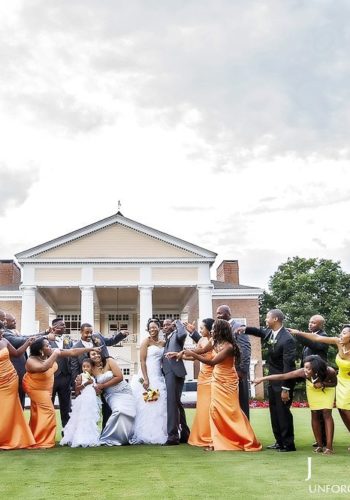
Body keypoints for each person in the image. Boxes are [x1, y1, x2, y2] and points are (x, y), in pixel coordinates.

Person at [168, 319, 261, 452]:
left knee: (231, 410)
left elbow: (212, 362)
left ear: (221, 330)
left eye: (214, 329)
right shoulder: (214, 341)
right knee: (215, 410)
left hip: (228, 381)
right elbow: (201, 350)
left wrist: (192, 354)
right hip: (216, 379)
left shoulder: (229, 347)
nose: (212, 331)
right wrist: (181, 353)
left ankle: (244, 438)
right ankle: (217, 440)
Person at [23, 338, 99, 449]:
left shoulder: (50, 352)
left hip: (46, 386)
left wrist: (91, 348)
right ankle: (44, 441)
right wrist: (56, 353)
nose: (50, 346)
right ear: (40, 350)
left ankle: (35, 438)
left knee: (38, 413)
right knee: (49, 412)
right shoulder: (31, 360)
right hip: (35, 387)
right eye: (47, 345)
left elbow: (73, 352)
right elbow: (44, 367)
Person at [238, 309, 297, 452]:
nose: (265, 320)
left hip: (283, 382)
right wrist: (245, 329)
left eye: (267, 318)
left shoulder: (287, 339)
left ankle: (288, 444)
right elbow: (259, 332)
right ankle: (279, 441)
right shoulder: (271, 333)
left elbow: (288, 366)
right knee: (274, 412)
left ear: (275, 319)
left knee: (283, 413)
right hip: (272, 381)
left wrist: (286, 389)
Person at [253, 355, 337, 454]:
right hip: (312, 389)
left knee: (326, 413)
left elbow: (334, 383)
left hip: (327, 390)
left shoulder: (329, 371)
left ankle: (329, 447)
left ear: (316, 368)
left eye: (308, 368)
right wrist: (262, 378)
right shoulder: (303, 372)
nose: (305, 370)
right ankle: (319, 445)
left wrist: (323, 384)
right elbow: (283, 376)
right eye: (304, 367)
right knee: (314, 414)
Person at [288, 324, 350, 450]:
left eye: (344, 333)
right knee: (341, 409)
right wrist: (298, 332)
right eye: (341, 332)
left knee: (346, 410)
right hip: (341, 380)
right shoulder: (338, 342)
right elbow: (316, 338)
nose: (341, 335)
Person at [71, 322, 129, 429]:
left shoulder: (97, 337)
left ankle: (106, 432)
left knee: (108, 409)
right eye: (86, 333)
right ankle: (89, 431)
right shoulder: (76, 347)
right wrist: (78, 387)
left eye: (91, 332)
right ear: (81, 332)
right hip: (90, 383)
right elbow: (75, 369)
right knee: (92, 410)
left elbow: (111, 341)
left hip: (106, 379)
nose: (89, 335)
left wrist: (121, 334)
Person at [130, 319, 167, 444]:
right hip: (147, 376)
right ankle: (145, 433)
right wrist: (146, 379)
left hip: (158, 375)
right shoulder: (146, 341)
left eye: (154, 327)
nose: (152, 329)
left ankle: (157, 432)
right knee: (146, 404)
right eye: (150, 328)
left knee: (159, 405)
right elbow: (142, 361)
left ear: (159, 328)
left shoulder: (163, 343)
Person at [0, 322, 36, 450]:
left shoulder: (4, 341)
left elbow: (16, 353)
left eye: (2, 331)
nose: (2, 333)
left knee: (11, 407)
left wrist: (28, 343)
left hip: (10, 378)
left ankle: (13, 436)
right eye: (0, 331)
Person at [89, 350, 136, 446]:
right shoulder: (91, 368)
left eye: (98, 353)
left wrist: (103, 385)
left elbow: (119, 377)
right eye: (93, 354)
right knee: (119, 411)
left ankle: (125, 437)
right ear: (89, 357)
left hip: (124, 390)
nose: (96, 355)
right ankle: (109, 437)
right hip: (111, 395)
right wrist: (97, 389)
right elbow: (92, 383)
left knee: (130, 413)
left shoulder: (109, 361)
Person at [298, 314, 329, 448]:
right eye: (310, 322)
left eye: (314, 323)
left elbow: (314, 345)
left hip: (320, 377)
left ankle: (325, 439)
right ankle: (319, 439)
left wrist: (299, 334)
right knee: (315, 410)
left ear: (320, 325)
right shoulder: (310, 335)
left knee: (322, 411)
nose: (310, 324)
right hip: (309, 376)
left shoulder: (324, 336)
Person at [184, 318, 215, 447]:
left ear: (209, 329)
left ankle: (213, 435)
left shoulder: (214, 341)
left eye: (202, 328)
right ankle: (203, 434)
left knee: (211, 407)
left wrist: (184, 352)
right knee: (202, 407)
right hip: (202, 377)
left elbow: (201, 353)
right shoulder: (201, 340)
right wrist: (180, 356)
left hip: (213, 376)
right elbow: (194, 357)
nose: (200, 330)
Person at [216, 305, 251, 419]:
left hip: (238, 372)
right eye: (217, 313)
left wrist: (242, 370)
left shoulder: (238, 327)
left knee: (241, 402)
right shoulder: (221, 329)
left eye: (220, 313)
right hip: (227, 372)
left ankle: (245, 431)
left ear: (228, 313)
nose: (218, 316)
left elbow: (245, 349)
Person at [60, 358, 101, 448]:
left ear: (92, 368)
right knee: (82, 419)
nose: (85, 368)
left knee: (90, 419)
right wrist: (86, 384)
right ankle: (80, 438)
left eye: (88, 367)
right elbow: (77, 390)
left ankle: (90, 438)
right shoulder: (80, 376)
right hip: (83, 401)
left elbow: (96, 391)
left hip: (91, 401)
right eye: (83, 366)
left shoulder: (93, 378)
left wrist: (96, 389)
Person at [161, 319, 190, 445]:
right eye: (164, 325)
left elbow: (183, 334)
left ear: (173, 325)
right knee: (176, 403)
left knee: (172, 403)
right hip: (169, 373)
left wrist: (177, 322)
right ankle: (185, 434)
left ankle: (172, 437)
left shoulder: (178, 335)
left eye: (168, 324)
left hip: (174, 372)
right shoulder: (168, 339)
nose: (165, 327)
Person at [48, 318, 74, 430]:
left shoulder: (67, 339)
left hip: (65, 377)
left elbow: (72, 356)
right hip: (50, 377)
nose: (65, 327)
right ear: (54, 327)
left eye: (64, 325)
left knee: (66, 407)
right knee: (49, 407)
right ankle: (48, 433)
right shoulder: (46, 340)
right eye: (62, 325)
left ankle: (67, 433)